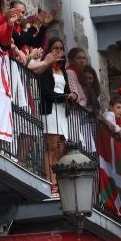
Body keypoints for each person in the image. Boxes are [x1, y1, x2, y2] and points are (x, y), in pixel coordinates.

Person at [36, 38, 76, 193]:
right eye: (55, 48)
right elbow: (45, 91)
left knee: (61, 147)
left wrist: (73, 96)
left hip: (61, 111)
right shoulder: (46, 68)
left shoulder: (62, 69)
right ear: (49, 50)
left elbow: (65, 90)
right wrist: (64, 97)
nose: (58, 51)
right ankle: (50, 181)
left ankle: (55, 179)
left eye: (60, 48)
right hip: (50, 110)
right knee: (51, 146)